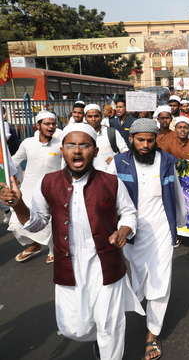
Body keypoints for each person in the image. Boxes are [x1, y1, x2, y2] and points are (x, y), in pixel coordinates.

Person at [0, 123, 144, 360]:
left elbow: (129, 213)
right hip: (68, 266)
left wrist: (123, 230)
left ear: (95, 151)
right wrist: (19, 205)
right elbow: (36, 223)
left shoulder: (111, 182)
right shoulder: (48, 183)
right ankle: (99, 339)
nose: (77, 151)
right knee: (72, 327)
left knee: (110, 323)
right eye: (70, 145)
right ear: (63, 151)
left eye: (84, 145)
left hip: (105, 264)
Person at [109, 119, 187, 360]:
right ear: (131, 139)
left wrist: (179, 224)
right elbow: (108, 197)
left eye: (149, 140)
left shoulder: (166, 160)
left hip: (161, 229)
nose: (145, 145)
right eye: (140, 140)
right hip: (129, 231)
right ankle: (116, 324)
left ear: (155, 140)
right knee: (135, 278)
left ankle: (152, 333)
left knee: (160, 281)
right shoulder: (118, 162)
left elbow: (175, 193)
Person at [9, 111, 62, 264]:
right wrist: (11, 177)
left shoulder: (60, 145)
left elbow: (65, 168)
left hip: (49, 189)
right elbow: (13, 162)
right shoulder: (27, 143)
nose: (51, 126)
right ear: (38, 126)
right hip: (27, 189)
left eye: (53, 124)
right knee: (16, 223)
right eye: (47, 123)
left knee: (49, 223)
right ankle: (34, 245)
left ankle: (52, 250)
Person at [84, 104, 128, 172]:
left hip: (109, 175)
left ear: (101, 117)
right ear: (85, 118)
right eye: (90, 116)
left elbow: (125, 151)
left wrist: (116, 159)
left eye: (96, 116)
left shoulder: (111, 132)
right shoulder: (82, 135)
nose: (93, 119)